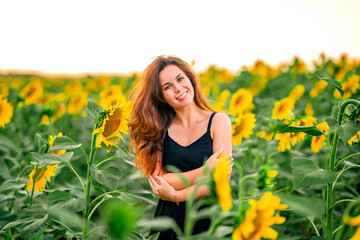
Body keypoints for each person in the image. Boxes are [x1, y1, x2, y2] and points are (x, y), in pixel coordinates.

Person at [129, 55, 232, 239]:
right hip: (170, 224)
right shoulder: (159, 128)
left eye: (180, 79)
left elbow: (219, 183)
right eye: (167, 87)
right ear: (160, 97)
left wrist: (176, 195)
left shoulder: (218, 121)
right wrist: (206, 170)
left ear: (190, 78)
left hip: (210, 220)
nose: (178, 89)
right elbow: (159, 182)